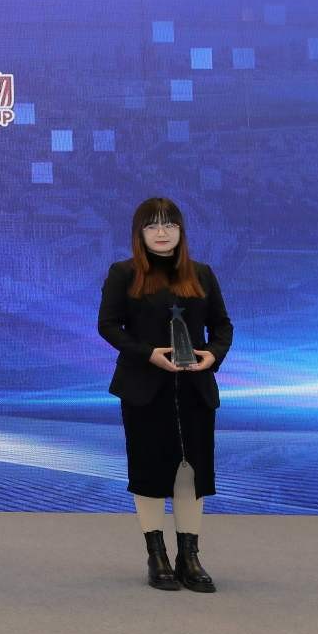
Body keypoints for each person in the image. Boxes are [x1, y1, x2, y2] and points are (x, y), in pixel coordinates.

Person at [98, 196, 232, 593]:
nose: (161, 232)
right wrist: (147, 354)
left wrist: (212, 355)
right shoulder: (123, 273)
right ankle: (156, 554)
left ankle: (189, 556)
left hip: (195, 390)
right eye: (153, 225)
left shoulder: (202, 273)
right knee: (149, 472)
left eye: (169, 225)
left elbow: (222, 327)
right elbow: (108, 325)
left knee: (191, 473)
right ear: (139, 233)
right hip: (143, 389)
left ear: (181, 231)